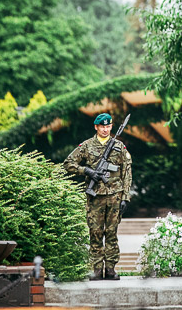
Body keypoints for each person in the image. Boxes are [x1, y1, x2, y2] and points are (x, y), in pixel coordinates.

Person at [64, 113, 132, 281]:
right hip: (95, 197)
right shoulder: (87, 146)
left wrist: (125, 196)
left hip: (115, 195)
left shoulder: (119, 146)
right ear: (96, 127)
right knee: (95, 233)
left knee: (111, 233)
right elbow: (68, 164)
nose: (105, 129)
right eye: (102, 126)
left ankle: (110, 269)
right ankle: (96, 269)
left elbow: (127, 171)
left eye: (108, 126)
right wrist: (86, 171)